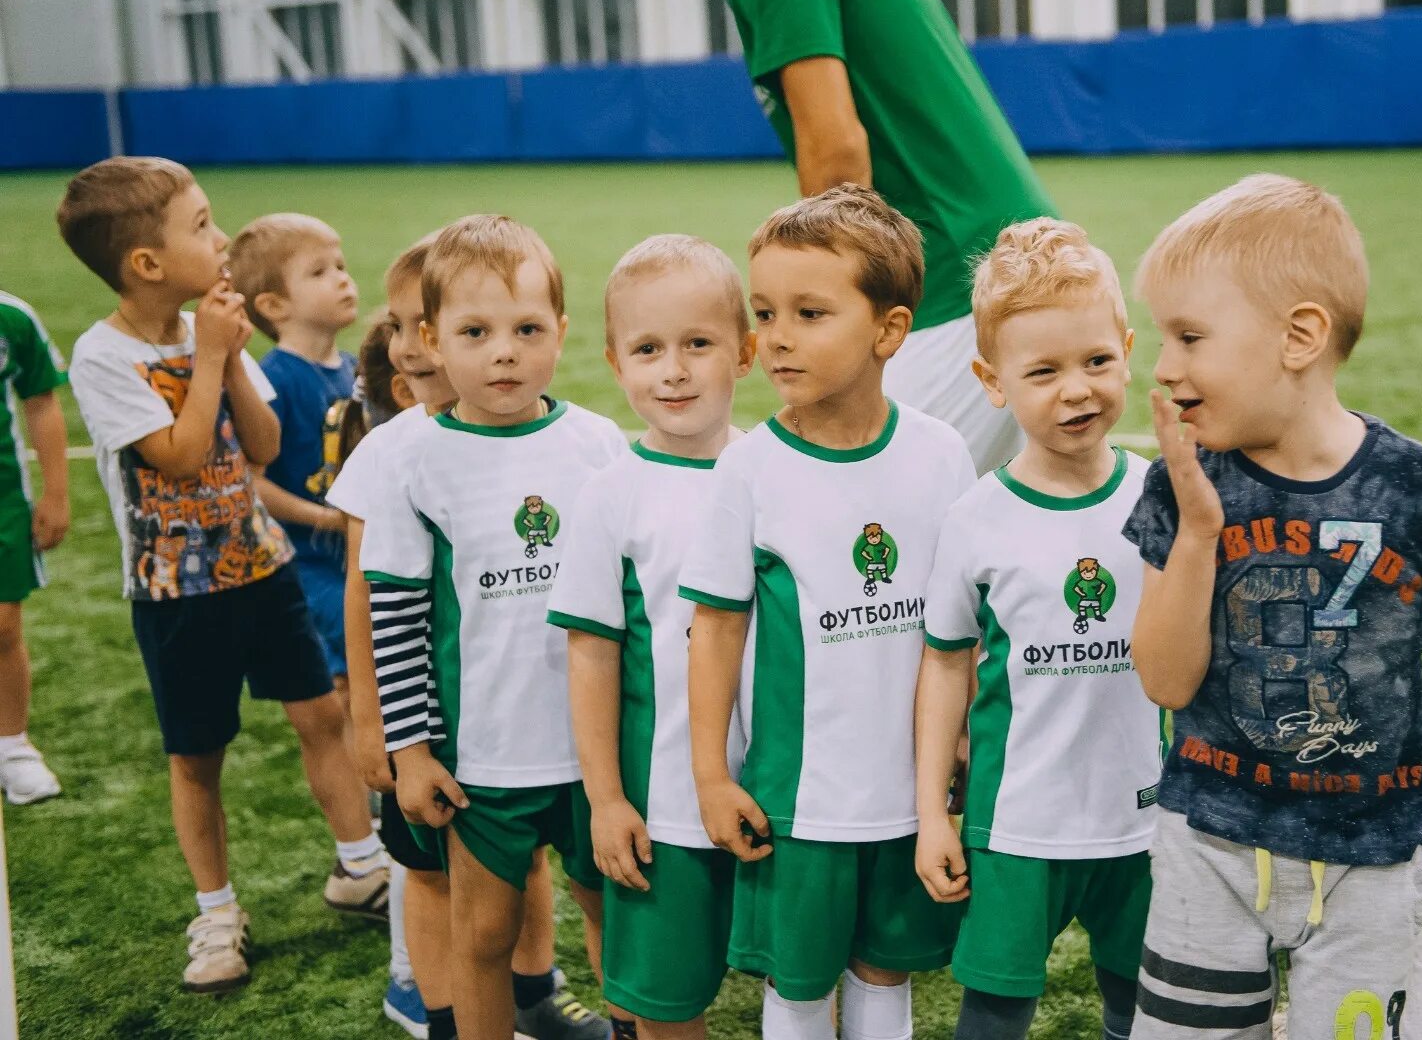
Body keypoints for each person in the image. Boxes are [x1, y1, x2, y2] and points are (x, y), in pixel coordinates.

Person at [1124, 174, 1422, 1038]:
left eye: (1189, 335)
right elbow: (1162, 678)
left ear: (1298, 336)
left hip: (1370, 853)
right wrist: (1194, 533)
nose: (1162, 366)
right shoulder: (1185, 482)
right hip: (1209, 844)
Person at [58, 156, 382, 994]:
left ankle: (359, 865)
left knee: (320, 715)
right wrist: (208, 357)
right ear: (147, 264)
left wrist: (230, 354)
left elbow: (264, 448)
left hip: (261, 567)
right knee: (197, 757)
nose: (221, 237)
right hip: (177, 594)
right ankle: (216, 910)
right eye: (201, 225)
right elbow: (180, 454)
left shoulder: (214, 331)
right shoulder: (102, 357)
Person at [680, 185, 975, 1040]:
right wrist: (710, 774)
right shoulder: (750, 469)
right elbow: (716, 628)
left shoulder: (940, 453)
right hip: (798, 800)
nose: (775, 336)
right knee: (800, 983)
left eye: (809, 312)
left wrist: (959, 741)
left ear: (888, 330)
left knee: (885, 969)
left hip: (913, 795)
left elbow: (963, 624)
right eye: (764, 311)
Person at [331, 235, 608, 1040]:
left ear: (560, 328)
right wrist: (409, 750)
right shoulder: (412, 460)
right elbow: (394, 613)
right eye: (475, 333)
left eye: (526, 329)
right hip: (481, 762)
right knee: (482, 939)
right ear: (429, 341)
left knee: (615, 924)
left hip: (594, 759)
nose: (504, 355)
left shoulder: (596, 445)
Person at [913, 219, 1160, 1040]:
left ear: (1127, 348)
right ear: (992, 380)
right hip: (1018, 822)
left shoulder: (1157, 497)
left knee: (1146, 1006)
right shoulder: (975, 520)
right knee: (994, 1011)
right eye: (1042, 371)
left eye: (1096, 361)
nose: (1076, 390)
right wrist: (930, 814)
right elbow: (945, 666)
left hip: (1146, 819)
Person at [674, 0, 1057, 474]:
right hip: (1013, 263)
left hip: (953, 279)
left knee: (845, 512)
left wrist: (819, 315)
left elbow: (836, 153)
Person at [547, 235, 757, 1040]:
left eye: (697, 344)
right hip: (661, 797)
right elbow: (592, 653)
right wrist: (605, 799)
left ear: (742, 354)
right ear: (613, 360)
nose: (672, 369)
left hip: (778, 790)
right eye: (647, 349)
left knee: (803, 975)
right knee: (665, 1002)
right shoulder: (610, 496)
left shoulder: (775, 470)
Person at [229, 213, 360, 707]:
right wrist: (327, 518)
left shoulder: (352, 369)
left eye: (341, 265)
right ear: (274, 305)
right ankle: (359, 786)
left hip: (355, 555)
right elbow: (251, 482)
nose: (342, 278)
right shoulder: (274, 380)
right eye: (319, 271)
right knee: (346, 679)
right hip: (310, 562)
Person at [0, 289, 71, 804]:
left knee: (3, 624)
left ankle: (12, 747)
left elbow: (41, 401)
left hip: (2, 499)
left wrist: (56, 491)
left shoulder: (12, 318)